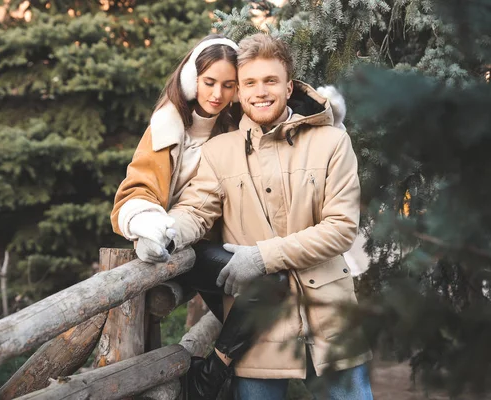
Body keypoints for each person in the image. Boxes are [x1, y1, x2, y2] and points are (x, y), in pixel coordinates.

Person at [135, 33, 374, 400]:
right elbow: (196, 211)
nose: (260, 91)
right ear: (239, 92)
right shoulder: (219, 151)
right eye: (249, 83)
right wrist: (165, 232)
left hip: (330, 321)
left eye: (270, 81)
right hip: (260, 333)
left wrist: (262, 257)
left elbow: (341, 229)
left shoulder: (332, 143)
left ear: (288, 85)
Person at [111, 34, 293, 400]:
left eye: (229, 85)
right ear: (191, 79)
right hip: (172, 247)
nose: (217, 94)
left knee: (265, 311)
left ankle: (210, 376)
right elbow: (137, 189)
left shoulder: (232, 125)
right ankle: (211, 379)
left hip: (213, 243)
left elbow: (278, 107)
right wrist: (150, 224)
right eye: (209, 82)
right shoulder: (167, 125)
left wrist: (326, 116)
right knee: (266, 292)